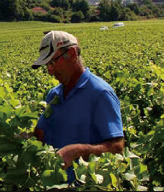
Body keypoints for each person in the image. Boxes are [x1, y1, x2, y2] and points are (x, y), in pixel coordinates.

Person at [22, 30, 125, 185]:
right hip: (56, 184)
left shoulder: (100, 93)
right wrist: (20, 136)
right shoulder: (54, 95)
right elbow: (40, 136)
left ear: (71, 54)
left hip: (88, 186)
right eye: (47, 65)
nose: (49, 71)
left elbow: (117, 148)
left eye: (52, 63)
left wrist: (79, 151)